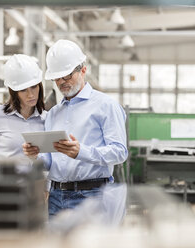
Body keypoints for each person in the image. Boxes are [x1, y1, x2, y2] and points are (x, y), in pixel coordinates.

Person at [23, 39, 128, 217]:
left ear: (83, 70)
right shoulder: (54, 113)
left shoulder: (106, 105)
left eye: (67, 76)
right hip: (57, 196)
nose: (62, 82)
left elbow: (119, 152)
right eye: (57, 78)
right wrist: (35, 156)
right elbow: (50, 162)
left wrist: (81, 152)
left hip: (92, 196)